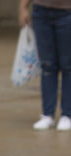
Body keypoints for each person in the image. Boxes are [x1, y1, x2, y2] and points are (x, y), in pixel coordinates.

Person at [20, 0, 71, 131]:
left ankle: (67, 115)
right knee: (47, 66)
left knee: (68, 66)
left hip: (67, 12)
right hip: (41, 12)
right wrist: (23, 7)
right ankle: (47, 115)